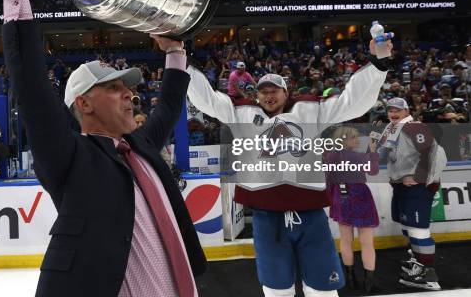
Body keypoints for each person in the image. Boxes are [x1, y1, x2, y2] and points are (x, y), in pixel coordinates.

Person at [0, 0, 205, 297]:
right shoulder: (69, 156)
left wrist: (174, 51)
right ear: (84, 103)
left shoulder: (139, 146)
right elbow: (32, 87)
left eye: (127, 87)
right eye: (114, 87)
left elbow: (170, 105)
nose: (130, 94)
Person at [187, 37, 391, 297]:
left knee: (323, 288)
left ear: (286, 92)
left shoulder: (310, 110)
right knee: (276, 289)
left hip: (310, 213)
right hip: (266, 214)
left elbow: (352, 102)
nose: (268, 96)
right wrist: (182, 64)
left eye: (274, 91)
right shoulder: (240, 114)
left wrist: (377, 64)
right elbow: (206, 99)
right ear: (256, 94)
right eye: (263, 91)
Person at [376, 98, 446, 291]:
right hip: (401, 186)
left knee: (418, 230)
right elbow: (382, 154)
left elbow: (434, 153)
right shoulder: (391, 129)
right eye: (390, 109)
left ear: (407, 111)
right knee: (408, 226)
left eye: (397, 109)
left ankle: (428, 274)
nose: (393, 112)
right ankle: (417, 263)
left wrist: (419, 177)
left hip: (417, 187)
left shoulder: (415, 127)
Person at [324, 126, 379, 293]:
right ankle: (368, 282)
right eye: (354, 137)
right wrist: (372, 152)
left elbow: (328, 181)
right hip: (361, 196)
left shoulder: (330, 156)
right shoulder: (358, 156)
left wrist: (331, 200)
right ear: (345, 139)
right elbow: (373, 170)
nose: (357, 140)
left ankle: (349, 278)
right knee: (366, 242)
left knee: (346, 240)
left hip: (340, 198)